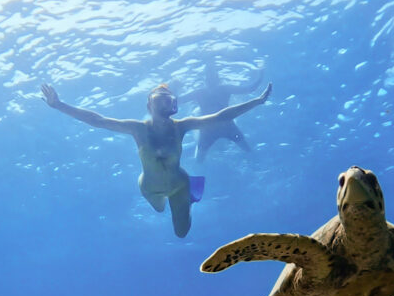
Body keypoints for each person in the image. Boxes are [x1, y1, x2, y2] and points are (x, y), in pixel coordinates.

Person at [41, 82, 272, 238]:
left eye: (168, 100)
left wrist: (257, 101)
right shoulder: (138, 129)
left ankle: (189, 199)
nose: (164, 104)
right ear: (149, 105)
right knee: (160, 209)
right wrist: (58, 104)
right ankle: (179, 198)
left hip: (179, 184)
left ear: (173, 104)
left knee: (181, 232)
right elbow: (98, 120)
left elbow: (221, 116)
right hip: (150, 187)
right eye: (159, 100)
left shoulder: (182, 126)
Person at [176, 62, 264, 161]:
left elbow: (177, 101)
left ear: (206, 80)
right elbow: (250, 88)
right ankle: (256, 163)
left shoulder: (201, 92)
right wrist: (260, 74)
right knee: (248, 151)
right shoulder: (223, 89)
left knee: (199, 160)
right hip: (225, 126)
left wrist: (172, 89)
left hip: (210, 129)